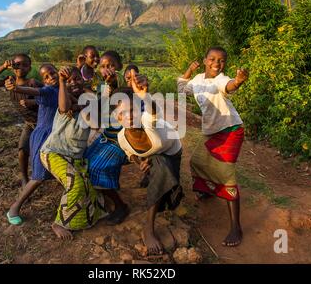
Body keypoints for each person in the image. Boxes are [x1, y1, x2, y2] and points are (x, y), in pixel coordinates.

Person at [177, 47, 249, 247]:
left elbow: (230, 85)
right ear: (205, 60)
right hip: (212, 131)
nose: (217, 63)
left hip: (230, 130)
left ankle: (236, 227)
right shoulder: (199, 79)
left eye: (221, 60)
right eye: (212, 59)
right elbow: (182, 88)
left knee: (226, 174)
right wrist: (190, 71)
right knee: (197, 161)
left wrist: (239, 81)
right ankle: (208, 191)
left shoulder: (220, 80)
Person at [116, 71, 184, 255]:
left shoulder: (148, 120)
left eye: (133, 111)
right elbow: (130, 154)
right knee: (159, 172)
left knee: (170, 197)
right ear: (118, 118)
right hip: (155, 155)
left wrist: (144, 96)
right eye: (123, 113)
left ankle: (149, 221)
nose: (129, 116)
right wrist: (140, 163)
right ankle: (149, 228)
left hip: (171, 150)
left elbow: (153, 111)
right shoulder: (122, 136)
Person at [40, 66, 108, 240]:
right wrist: (62, 81)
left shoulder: (89, 104)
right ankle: (58, 223)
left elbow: (96, 123)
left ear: (84, 80)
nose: (73, 82)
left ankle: (90, 216)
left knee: (89, 185)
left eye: (77, 78)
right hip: (53, 153)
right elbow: (64, 105)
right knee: (76, 184)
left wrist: (82, 103)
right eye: (69, 81)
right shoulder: (64, 105)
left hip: (75, 156)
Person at [5, 64, 59, 225]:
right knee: (38, 176)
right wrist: (17, 87)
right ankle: (14, 208)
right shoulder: (48, 90)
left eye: (53, 73)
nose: (51, 77)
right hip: (43, 137)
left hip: (55, 136)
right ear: (44, 81)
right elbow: (36, 92)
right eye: (47, 77)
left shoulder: (58, 90)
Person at [84, 51, 129, 225]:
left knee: (97, 168)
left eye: (110, 65)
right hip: (108, 134)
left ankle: (120, 206)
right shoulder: (102, 87)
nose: (106, 69)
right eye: (102, 66)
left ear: (119, 67)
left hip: (123, 136)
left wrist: (111, 87)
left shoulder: (126, 83)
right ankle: (106, 194)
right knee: (86, 160)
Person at [0, 54, 41, 187]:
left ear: (29, 68)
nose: (21, 67)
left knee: (43, 152)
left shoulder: (33, 83)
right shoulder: (9, 81)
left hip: (42, 123)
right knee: (22, 150)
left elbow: (49, 96)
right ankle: (25, 178)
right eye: (17, 64)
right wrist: (3, 67)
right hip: (29, 123)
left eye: (25, 65)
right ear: (12, 66)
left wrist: (33, 101)